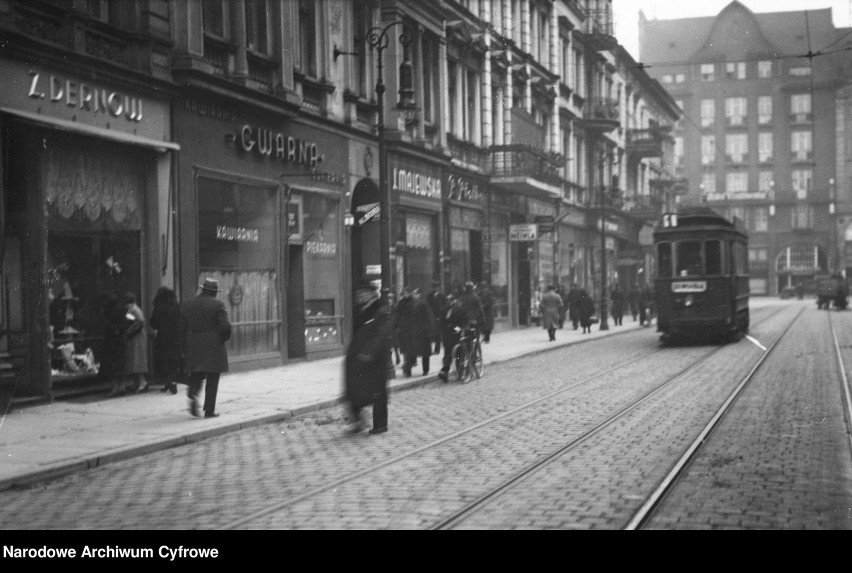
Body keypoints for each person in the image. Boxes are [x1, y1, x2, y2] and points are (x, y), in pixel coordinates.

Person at [344, 278, 392, 435]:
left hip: (375, 358)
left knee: (378, 392)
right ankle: (357, 421)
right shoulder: (360, 309)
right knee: (353, 388)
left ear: (372, 294)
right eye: (359, 294)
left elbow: (381, 335)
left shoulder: (381, 309)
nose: (360, 296)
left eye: (363, 293)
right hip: (359, 356)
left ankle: (380, 425)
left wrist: (370, 352)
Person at [183, 277, 231, 418]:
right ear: (215, 292)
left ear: (203, 289)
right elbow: (225, 326)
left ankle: (192, 392)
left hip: (193, 344)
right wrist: (222, 338)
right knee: (213, 378)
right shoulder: (218, 305)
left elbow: (183, 326)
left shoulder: (188, 303)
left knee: (197, 373)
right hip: (213, 345)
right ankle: (209, 410)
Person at [150, 287, 184, 394]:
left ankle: (168, 382)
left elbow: (153, 322)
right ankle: (172, 381)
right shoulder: (177, 306)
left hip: (163, 337)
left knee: (164, 360)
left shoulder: (159, 307)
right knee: (173, 360)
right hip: (176, 337)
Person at [103, 293, 132, 397]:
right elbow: (129, 321)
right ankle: (122, 386)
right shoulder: (123, 309)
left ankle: (115, 387)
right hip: (121, 338)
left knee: (112, 363)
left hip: (112, 339)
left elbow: (108, 324)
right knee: (121, 362)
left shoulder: (110, 311)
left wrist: (113, 329)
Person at [401, 287, 434, 377]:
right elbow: (405, 319)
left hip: (423, 332)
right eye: (413, 294)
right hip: (412, 333)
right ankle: (408, 371)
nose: (413, 295)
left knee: (425, 353)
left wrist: (429, 330)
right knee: (410, 352)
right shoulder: (409, 305)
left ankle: (425, 370)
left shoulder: (424, 305)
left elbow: (429, 318)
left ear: (419, 295)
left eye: (415, 294)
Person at [437, 293, 469, 382]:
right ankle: (445, 372)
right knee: (447, 354)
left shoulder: (460, 309)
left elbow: (465, 320)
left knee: (458, 353)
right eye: (448, 300)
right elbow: (441, 321)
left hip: (456, 335)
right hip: (447, 335)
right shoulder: (444, 309)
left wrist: (461, 328)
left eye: (451, 300)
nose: (449, 302)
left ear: (455, 300)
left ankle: (460, 372)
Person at [123, 291, 149, 393]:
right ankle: (137, 383)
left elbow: (140, 320)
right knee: (135, 360)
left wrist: (129, 330)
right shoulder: (132, 309)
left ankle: (142, 382)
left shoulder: (134, 309)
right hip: (136, 336)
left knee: (137, 360)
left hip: (137, 337)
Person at [426, 281, 446, 354]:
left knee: (438, 334)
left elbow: (445, 306)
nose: (435, 289)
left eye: (437, 287)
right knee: (430, 333)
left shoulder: (442, 296)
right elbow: (428, 306)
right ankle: (429, 349)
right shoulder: (429, 296)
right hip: (431, 317)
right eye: (434, 287)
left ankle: (437, 350)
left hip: (439, 317)